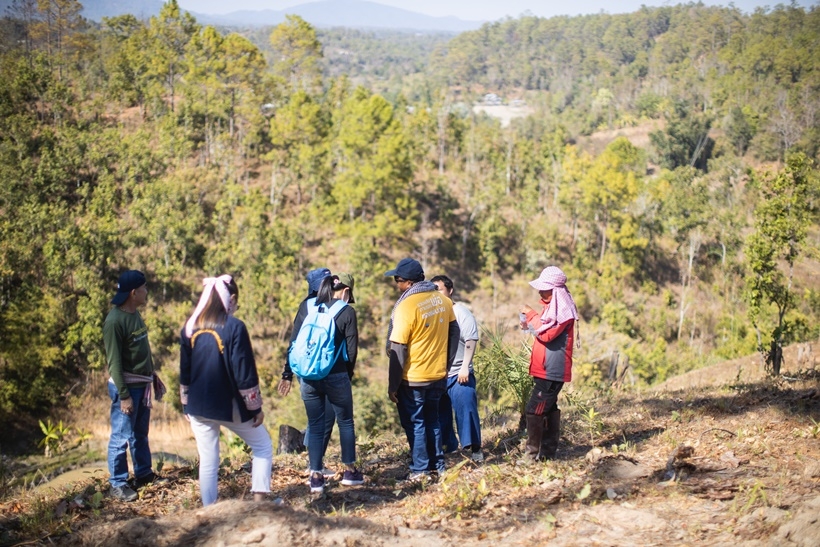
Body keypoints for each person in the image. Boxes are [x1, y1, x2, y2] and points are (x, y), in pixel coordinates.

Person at [179, 275, 273, 506]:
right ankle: (259, 504)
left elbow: (185, 371)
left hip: (198, 406)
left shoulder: (190, 328)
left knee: (208, 461)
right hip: (228, 405)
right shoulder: (234, 327)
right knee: (262, 445)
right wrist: (255, 408)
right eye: (236, 301)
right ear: (230, 299)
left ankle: (209, 510)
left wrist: (185, 404)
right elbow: (244, 373)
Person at [385, 258, 459, 479]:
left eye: (397, 281)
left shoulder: (406, 306)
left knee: (415, 423)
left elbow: (398, 348)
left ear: (407, 282)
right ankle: (438, 465)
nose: (396, 286)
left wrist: (393, 385)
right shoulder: (442, 301)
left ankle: (420, 469)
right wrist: (446, 363)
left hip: (413, 377)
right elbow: (454, 332)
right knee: (433, 419)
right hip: (437, 374)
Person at [294, 274, 364, 494]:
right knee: (345, 422)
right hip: (337, 374)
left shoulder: (309, 308)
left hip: (309, 376)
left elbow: (295, 342)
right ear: (344, 291)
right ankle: (350, 471)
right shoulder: (347, 311)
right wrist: (347, 375)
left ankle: (315, 476)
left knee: (315, 424)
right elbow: (351, 351)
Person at [104, 270, 166, 502]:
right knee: (121, 437)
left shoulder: (134, 314)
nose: (146, 291)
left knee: (140, 434)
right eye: (144, 288)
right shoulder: (114, 322)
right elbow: (114, 363)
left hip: (142, 384)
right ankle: (118, 484)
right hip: (127, 388)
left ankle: (143, 474)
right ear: (134, 292)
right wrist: (124, 396)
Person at [278, 267, 336, 477]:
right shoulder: (328, 306)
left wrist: (288, 374)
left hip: (308, 369)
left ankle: (314, 461)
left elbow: (293, 342)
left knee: (318, 416)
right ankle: (315, 464)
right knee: (325, 416)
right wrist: (287, 374)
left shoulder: (308, 306)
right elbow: (295, 341)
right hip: (324, 369)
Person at [519, 266, 579, 461]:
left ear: (555, 290)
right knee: (549, 408)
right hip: (544, 369)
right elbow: (539, 331)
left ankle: (532, 455)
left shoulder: (563, 312)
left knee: (534, 409)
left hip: (552, 371)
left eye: (544, 289)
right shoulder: (552, 309)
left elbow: (546, 335)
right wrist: (529, 322)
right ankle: (547, 455)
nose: (540, 292)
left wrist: (531, 315)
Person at [431, 275, 483, 462]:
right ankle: (447, 448)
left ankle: (475, 449)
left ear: (450, 290)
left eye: (439, 289)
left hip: (459, 372)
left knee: (466, 408)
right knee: (440, 414)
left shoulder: (460, 312)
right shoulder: (431, 314)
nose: (437, 293)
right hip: (437, 374)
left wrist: (465, 367)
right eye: (433, 290)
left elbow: (471, 339)